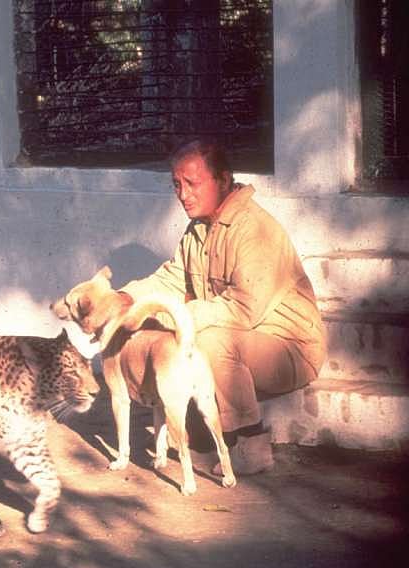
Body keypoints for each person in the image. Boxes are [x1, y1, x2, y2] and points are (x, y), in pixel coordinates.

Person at [116, 139, 326, 475]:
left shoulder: (254, 228)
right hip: (246, 341)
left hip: (291, 349)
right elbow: (172, 279)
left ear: (224, 180)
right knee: (166, 329)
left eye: (192, 183)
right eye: (177, 184)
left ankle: (251, 445)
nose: (183, 194)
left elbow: (243, 309)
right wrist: (126, 299)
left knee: (206, 339)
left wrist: (178, 316)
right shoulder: (198, 228)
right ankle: (199, 433)